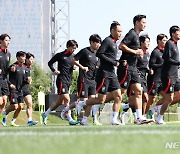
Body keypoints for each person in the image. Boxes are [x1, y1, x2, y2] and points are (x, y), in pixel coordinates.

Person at [75, 21, 123, 125]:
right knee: (101, 100)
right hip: (104, 74)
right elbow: (100, 54)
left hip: (112, 73)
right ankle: (82, 103)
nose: (120, 33)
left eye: (121, 31)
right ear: (112, 31)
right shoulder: (107, 40)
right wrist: (113, 62)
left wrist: (119, 62)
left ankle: (113, 120)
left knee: (118, 96)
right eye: (118, 31)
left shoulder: (114, 43)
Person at [61, 34, 102, 125]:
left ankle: (84, 120)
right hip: (84, 79)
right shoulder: (84, 51)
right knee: (84, 101)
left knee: (91, 101)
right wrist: (82, 67)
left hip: (93, 81)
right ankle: (66, 110)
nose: (98, 45)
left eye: (99, 43)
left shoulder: (98, 54)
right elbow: (73, 60)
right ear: (91, 42)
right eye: (97, 43)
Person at [118, 14, 152, 124]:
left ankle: (139, 117)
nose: (145, 25)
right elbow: (121, 46)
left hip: (133, 68)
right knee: (120, 93)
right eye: (143, 23)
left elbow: (134, 50)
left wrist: (138, 54)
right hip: (126, 68)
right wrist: (135, 52)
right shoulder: (131, 33)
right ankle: (113, 115)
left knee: (139, 91)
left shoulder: (137, 36)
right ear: (137, 23)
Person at [41, 40, 79, 125]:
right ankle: (69, 118)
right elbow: (50, 63)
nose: (74, 50)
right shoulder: (60, 55)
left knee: (60, 101)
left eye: (75, 48)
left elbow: (74, 65)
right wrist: (54, 70)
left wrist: (74, 67)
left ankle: (45, 114)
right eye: (73, 48)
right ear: (68, 46)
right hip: (61, 80)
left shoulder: (74, 57)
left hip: (69, 80)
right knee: (67, 99)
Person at [156, 25, 180, 124]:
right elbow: (166, 58)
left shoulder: (175, 44)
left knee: (178, 95)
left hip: (175, 75)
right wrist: (178, 63)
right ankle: (159, 118)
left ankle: (158, 108)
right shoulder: (169, 44)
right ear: (173, 34)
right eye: (178, 32)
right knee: (169, 98)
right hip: (168, 75)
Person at [2, 51, 28, 126]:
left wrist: (28, 80)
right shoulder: (13, 66)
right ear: (18, 57)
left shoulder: (24, 67)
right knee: (14, 106)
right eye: (22, 56)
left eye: (24, 57)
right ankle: (4, 114)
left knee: (20, 106)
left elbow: (25, 79)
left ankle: (12, 121)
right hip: (13, 90)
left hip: (20, 90)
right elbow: (4, 76)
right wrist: (10, 84)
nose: (24, 58)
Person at [12, 52, 38, 126]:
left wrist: (29, 80)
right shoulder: (19, 65)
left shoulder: (29, 67)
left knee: (29, 104)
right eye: (31, 59)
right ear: (26, 59)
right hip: (18, 89)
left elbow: (27, 78)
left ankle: (29, 120)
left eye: (33, 59)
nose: (32, 61)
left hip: (26, 89)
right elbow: (14, 66)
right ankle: (5, 115)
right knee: (17, 107)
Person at [145, 34, 168, 119]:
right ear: (159, 41)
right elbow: (151, 64)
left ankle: (154, 110)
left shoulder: (165, 52)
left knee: (168, 97)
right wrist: (162, 65)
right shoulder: (155, 52)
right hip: (154, 79)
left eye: (166, 40)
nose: (165, 42)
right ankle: (143, 116)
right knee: (151, 99)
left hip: (162, 80)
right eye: (164, 40)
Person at [0, 34, 11, 125]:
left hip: (4, 79)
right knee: (0, 101)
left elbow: (6, 68)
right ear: (1, 41)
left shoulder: (8, 53)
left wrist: (11, 69)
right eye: (6, 40)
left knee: (4, 101)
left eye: (9, 41)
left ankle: (0, 120)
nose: (8, 42)